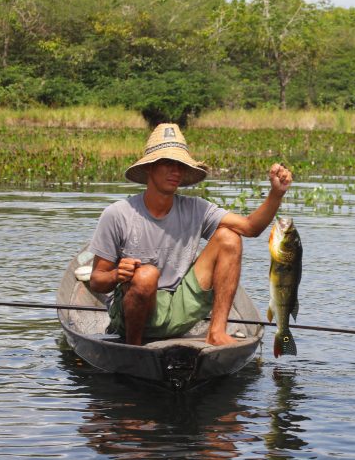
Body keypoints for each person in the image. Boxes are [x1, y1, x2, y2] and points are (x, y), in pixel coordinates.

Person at [88, 123, 292, 346]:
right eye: (167, 163)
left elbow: (250, 227)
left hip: (180, 306)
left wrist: (276, 194)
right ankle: (134, 346)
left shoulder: (196, 208)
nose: (175, 171)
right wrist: (117, 274)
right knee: (146, 276)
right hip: (134, 313)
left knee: (229, 237)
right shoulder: (118, 214)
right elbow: (97, 281)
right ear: (149, 168)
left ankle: (216, 331)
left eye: (180, 165)